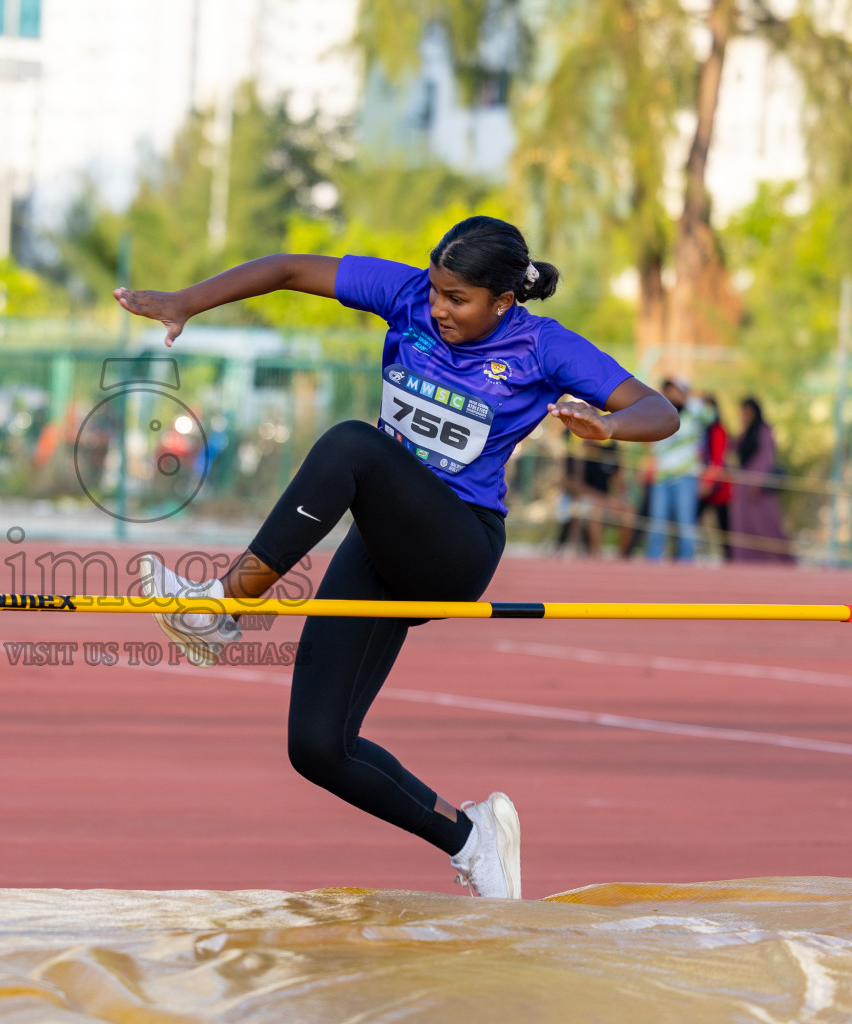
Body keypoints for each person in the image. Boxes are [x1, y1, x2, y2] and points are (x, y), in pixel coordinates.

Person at [113, 217, 678, 899]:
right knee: (317, 748)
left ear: (504, 301)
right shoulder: (406, 294)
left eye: (458, 300)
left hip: (458, 546)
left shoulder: (542, 345)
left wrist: (610, 426)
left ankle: (224, 608)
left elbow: (659, 410)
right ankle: (472, 840)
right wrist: (186, 302)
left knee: (353, 445)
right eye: (437, 290)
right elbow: (292, 269)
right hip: (382, 543)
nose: (439, 309)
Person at [645, 378, 711, 561]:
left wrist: (689, 399)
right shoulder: (659, 413)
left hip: (686, 476)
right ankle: (652, 564)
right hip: (662, 476)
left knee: (685, 524)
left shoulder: (694, 412)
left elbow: (711, 416)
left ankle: (686, 565)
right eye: (668, 391)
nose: (671, 394)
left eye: (675, 390)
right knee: (657, 523)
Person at [729, 397, 796, 564]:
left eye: (748, 412)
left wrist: (757, 480)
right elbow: (733, 449)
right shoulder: (746, 433)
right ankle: (747, 561)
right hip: (743, 487)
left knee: (768, 524)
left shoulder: (764, 431)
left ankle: (782, 561)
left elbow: (766, 457)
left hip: (759, 488)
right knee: (744, 525)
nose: (745, 415)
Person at [698, 395, 733, 561]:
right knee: (693, 522)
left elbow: (718, 460)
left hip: (717, 487)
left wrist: (708, 483)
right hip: (703, 485)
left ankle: (730, 560)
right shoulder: (699, 430)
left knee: (723, 527)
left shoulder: (718, 430)